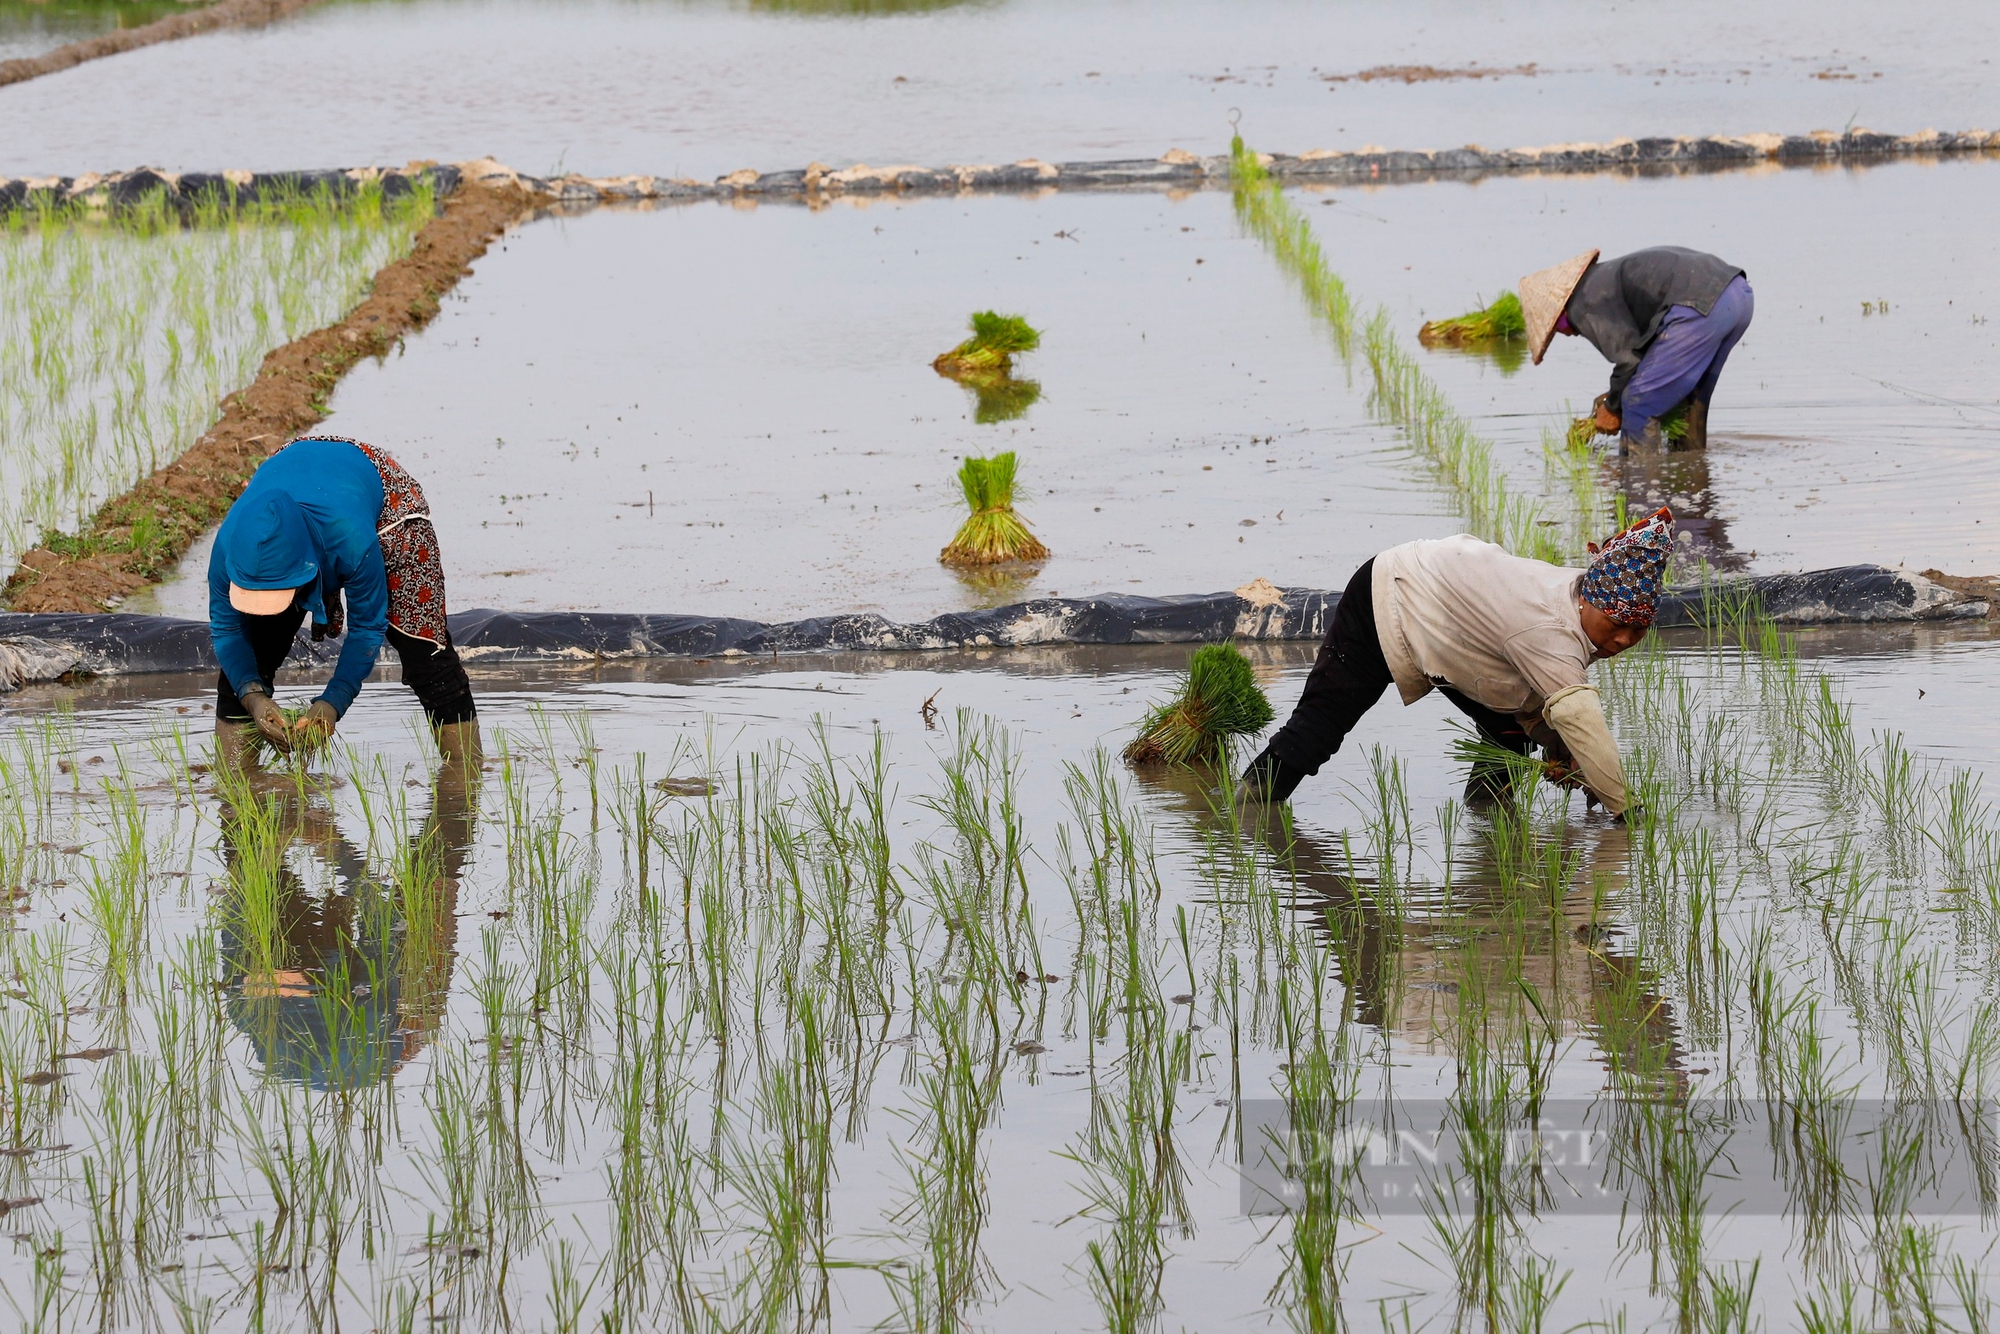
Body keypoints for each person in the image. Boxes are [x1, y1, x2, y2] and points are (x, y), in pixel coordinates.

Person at [1240, 508, 1679, 817]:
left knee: (1509, 734)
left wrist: (1564, 755)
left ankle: (1488, 819)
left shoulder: (1574, 597)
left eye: (1638, 630)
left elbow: (1536, 700)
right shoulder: (1548, 630)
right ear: (1590, 601)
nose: (1624, 639)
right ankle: (1244, 810)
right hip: (1388, 594)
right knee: (1320, 726)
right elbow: (1579, 715)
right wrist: (1628, 813)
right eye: (1616, 623)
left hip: (1454, 626)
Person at [207, 435, 478, 760]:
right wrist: (253, 696)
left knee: (424, 654)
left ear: (306, 568)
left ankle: (463, 780)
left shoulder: (352, 543)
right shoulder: (230, 545)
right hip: (291, 472)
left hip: (382, 498)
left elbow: (367, 629)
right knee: (253, 651)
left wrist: (334, 701)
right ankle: (237, 782)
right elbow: (227, 632)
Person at [1520, 246, 1754, 451]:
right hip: (1737, 294)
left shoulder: (1585, 302)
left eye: (1559, 327)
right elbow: (1647, 354)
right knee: (1687, 403)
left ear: (1562, 310)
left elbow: (1629, 359)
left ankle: (1641, 495)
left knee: (1638, 403)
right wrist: (1615, 397)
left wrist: (1613, 408)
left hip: (1699, 309)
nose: (1568, 333)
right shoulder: (1603, 278)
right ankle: (1692, 483)